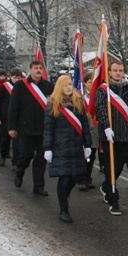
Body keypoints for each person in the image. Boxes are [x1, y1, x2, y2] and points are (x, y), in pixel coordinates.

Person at [43, 76, 92, 223]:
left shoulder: (79, 103)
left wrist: (87, 145)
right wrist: (48, 148)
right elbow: (48, 128)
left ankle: (65, 196)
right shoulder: (53, 104)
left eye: (70, 84)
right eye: (65, 85)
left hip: (76, 147)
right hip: (61, 148)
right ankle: (63, 207)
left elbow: (85, 126)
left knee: (75, 177)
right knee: (64, 178)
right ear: (59, 87)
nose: (69, 87)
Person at [95, 60, 128, 216]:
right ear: (109, 72)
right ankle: (113, 200)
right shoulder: (104, 90)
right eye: (115, 70)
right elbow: (100, 109)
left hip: (125, 134)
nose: (118, 73)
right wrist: (106, 126)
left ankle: (106, 186)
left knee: (119, 166)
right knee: (110, 166)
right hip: (109, 135)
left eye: (120, 70)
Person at [8, 60, 55, 196]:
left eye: (40, 68)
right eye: (36, 68)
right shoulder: (20, 86)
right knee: (26, 156)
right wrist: (12, 127)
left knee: (41, 159)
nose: (38, 70)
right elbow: (13, 107)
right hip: (26, 128)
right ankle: (19, 172)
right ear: (30, 70)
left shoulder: (48, 86)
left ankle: (38, 186)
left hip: (43, 129)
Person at [0, 68, 22, 168]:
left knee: (16, 142)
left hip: (17, 118)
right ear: (10, 77)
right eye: (15, 77)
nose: (17, 80)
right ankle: (3, 155)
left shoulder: (22, 87)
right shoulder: (4, 87)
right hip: (5, 117)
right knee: (5, 139)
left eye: (19, 78)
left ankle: (15, 162)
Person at [79, 72, 99, 191]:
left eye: (93, 82)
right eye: (89, 82)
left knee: (91, 156)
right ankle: (81, 179)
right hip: (83, 130)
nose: (92, 84)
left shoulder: (98, 97)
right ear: (85, 84)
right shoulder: (80, 98)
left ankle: (88, 178)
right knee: (83, 156)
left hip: (95, 131)